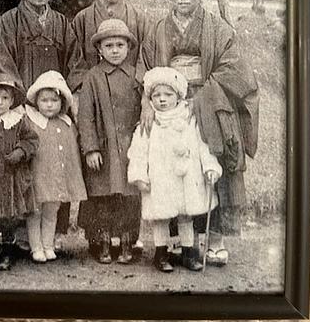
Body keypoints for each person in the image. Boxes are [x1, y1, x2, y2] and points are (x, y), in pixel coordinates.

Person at [142, 0, 259, 267]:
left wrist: (202, 97)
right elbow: (148, 68)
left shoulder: (218, 28)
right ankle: (180, 241)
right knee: (173, 169)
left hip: (209, 103)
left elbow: (234, 69)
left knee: (213, 168)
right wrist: (157, 97)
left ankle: (215, 240)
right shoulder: (158, 29)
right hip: (170, 105)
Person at [128, 66, 222, 272]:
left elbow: (202, 144)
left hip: (186, 177)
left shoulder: (189, 119)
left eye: (168, 94)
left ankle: (189, 253)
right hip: (160, 178)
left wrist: (210, 167)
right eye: (157, 95)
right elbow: (138, 151)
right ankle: (161, 254)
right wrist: (138, 175)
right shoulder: (149, 122)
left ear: (178, 96)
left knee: (186, 215)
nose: (162, 99)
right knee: (161, 215)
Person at [77, 19, 142, 264]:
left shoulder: (135, 75)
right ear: (100, 49)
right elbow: (85, 115)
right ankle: (101, 241)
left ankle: (127, 242)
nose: (115, 50)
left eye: (120, 45)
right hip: (102, 148)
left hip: (129, 148)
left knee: (128, 195)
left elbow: (142, 110)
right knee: (101, 195)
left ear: (128, 47)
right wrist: (90, 148)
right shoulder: (93, 77)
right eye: (109, 45)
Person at [0, 77, 39, 271]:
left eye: (5, 98)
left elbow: (32, 139)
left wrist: (20, 151)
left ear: (12, 101)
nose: (0, 102)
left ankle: (6, 252)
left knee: (9, 218)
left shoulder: (18, 120)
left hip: (12, 177)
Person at [25, 70, 87, 263]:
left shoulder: (67, 123)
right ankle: (36, 247)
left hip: (57, 177)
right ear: (36, 101)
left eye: (54, 100)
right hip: (38, 176)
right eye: (44, 100)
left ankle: (48, 245)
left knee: (52, 211)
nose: (49, 105)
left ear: (62, 103)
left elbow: (71, 153)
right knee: (35, 211)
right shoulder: (31, 122)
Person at [69, 0, 148, 92]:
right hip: (93, 90)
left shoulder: (139, 18)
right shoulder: (83, 18)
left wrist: (139, 84)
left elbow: (145, 57)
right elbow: (75, 59)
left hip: (130, 90)